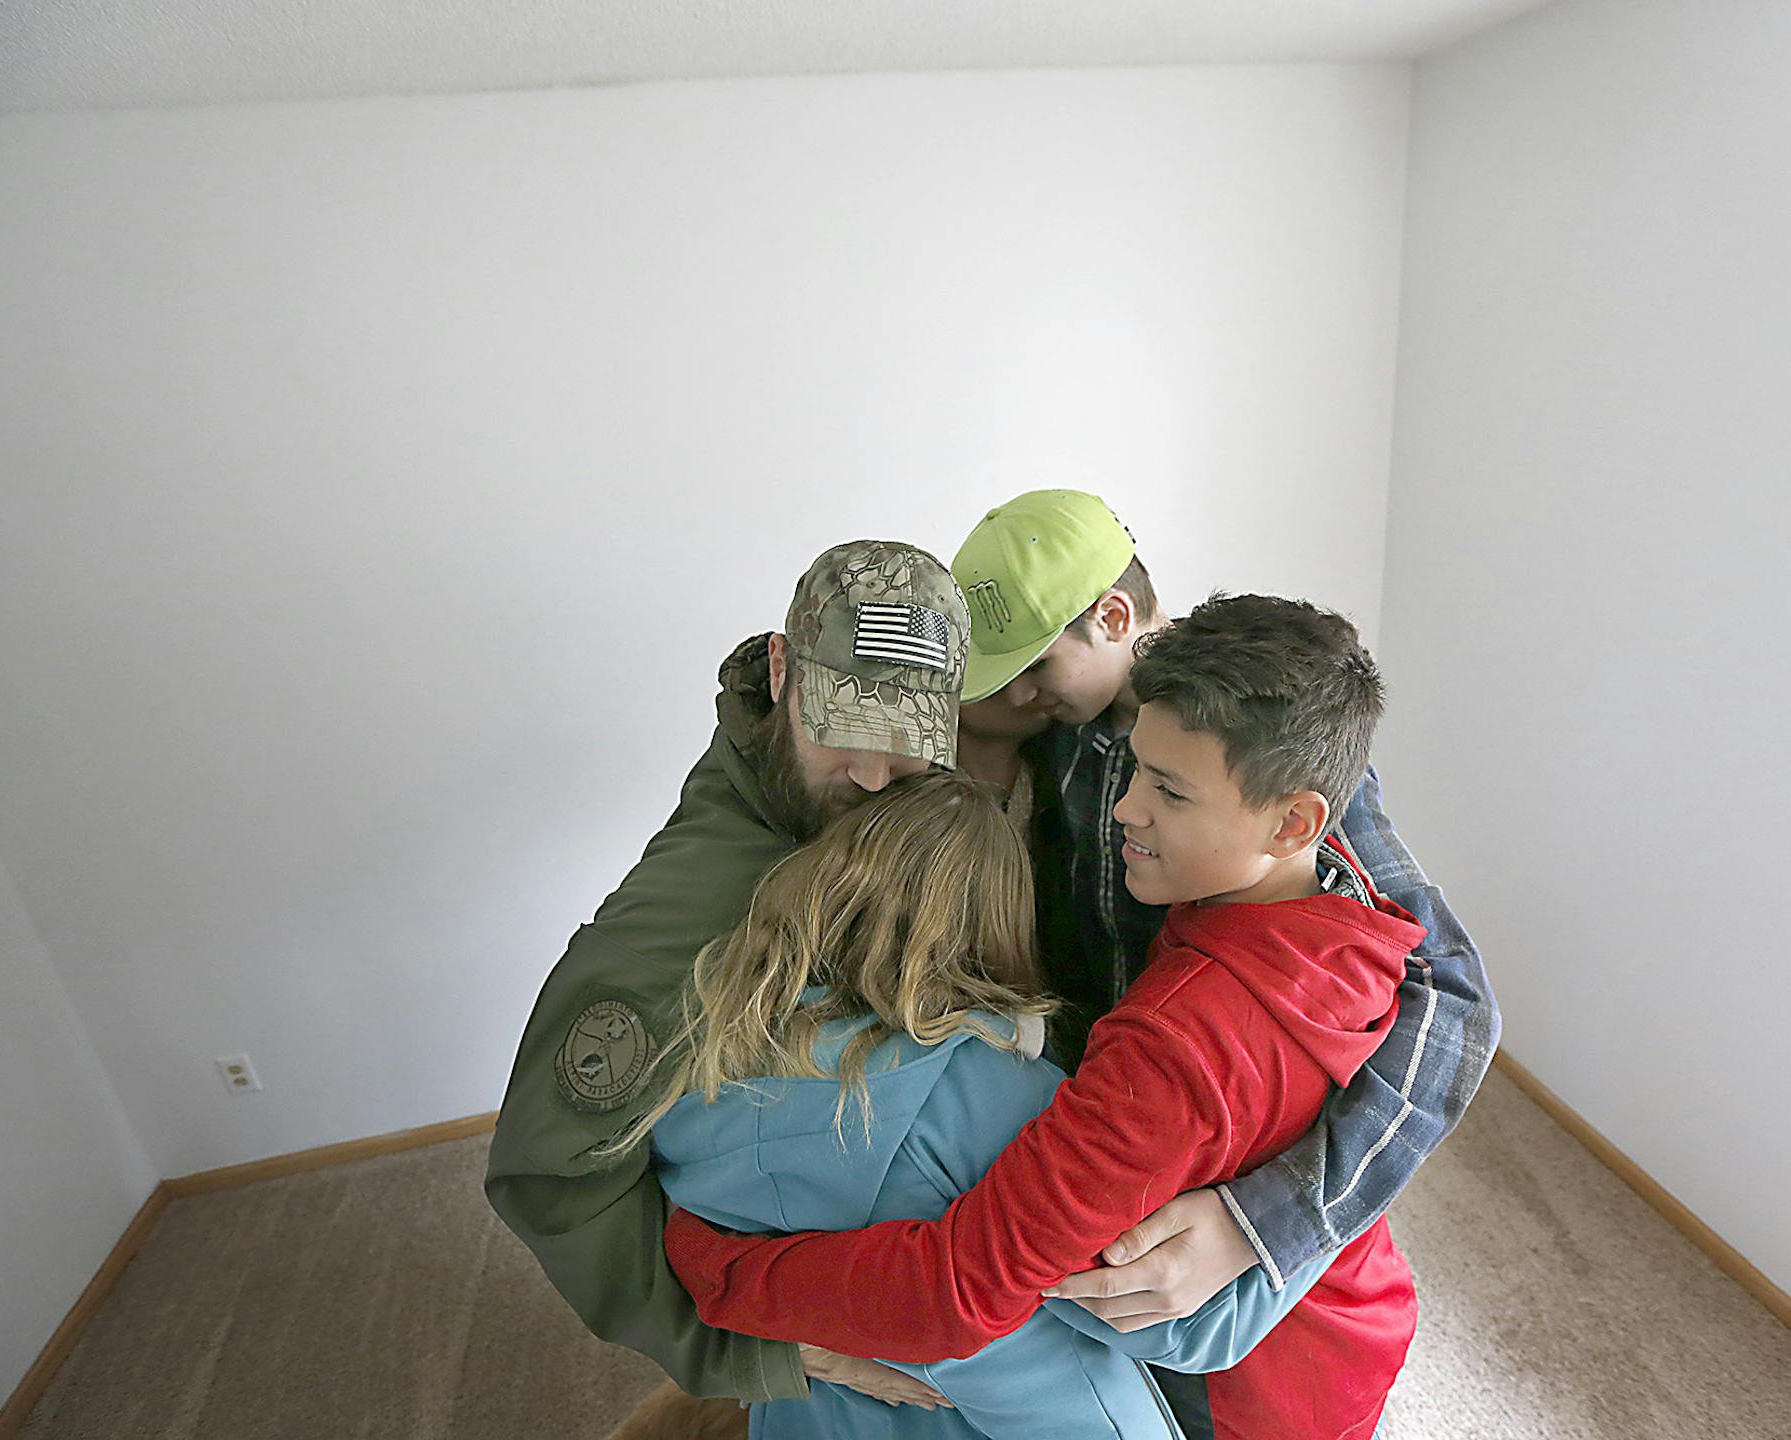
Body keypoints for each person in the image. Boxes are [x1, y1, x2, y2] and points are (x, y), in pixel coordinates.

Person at [669, 596, 1429, 1439]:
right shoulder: (1343, 913)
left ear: (1295, 823)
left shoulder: (1173, 1046)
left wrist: (713, 1268)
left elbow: (958, 1293)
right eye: (1138, 769)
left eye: (1170, 792)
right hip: (1358, 1310)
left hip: (1257, 1395)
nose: (1126, 808)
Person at [949, 493, 1498, 1422]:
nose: (1017, 698)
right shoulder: (1064, 733)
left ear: (1112, 619)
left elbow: (1454, 1000)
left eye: (1035, 668)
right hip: (1130, 1108)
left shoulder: (1273, 758)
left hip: (1238, 1122)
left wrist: (1266, 1225)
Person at [614, 769, 1326, 1438]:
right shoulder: (1004, 1098)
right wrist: (1317, 1210)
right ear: (997, 922)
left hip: (819, 1409)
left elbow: (689, 1234)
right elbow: (1187, 1326)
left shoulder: (702, 1058)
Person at [484, 540, 975, 1406]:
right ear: (781, 671)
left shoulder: (855, 795)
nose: (872, 776)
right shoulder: (681, 932)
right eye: (842, 730)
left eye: (906, 744)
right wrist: (748, 1350)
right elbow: (549, 1175)